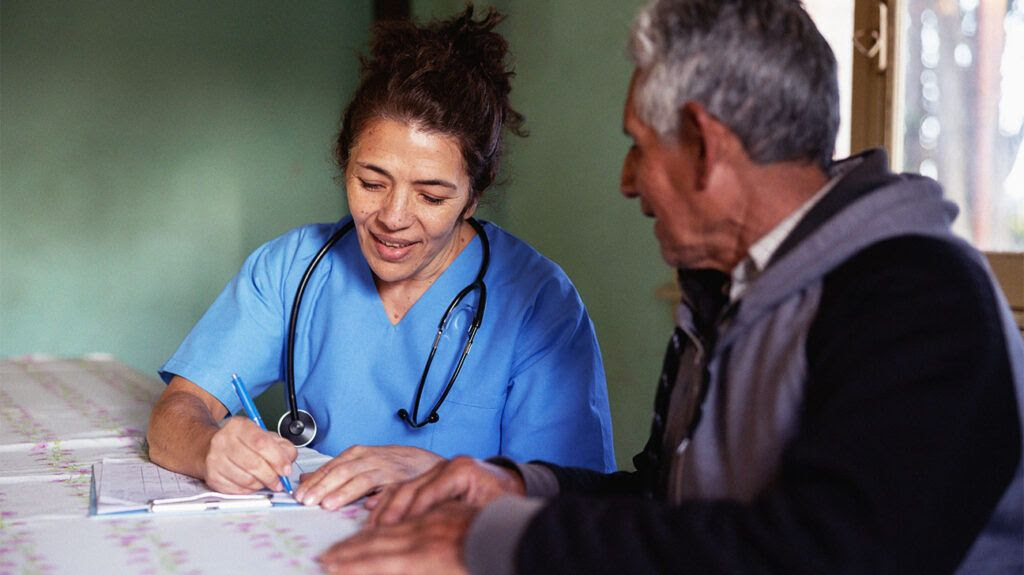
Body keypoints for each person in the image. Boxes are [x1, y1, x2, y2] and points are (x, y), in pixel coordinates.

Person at [316, 0, 1024, 573]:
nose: (627, 181)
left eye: (638, 145)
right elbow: (667, 501)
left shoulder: (922, 297)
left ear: (704, 144)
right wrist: (520, 486)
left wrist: (501, 543)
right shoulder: (724, 296)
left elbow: (831, 552)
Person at [146, 6, 616, 512]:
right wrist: (210, 447)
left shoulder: (539, 302)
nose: (392, 217)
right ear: (343, 162)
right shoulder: (292, 269)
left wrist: (439, 474)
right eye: (371, 183)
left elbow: (574, 503)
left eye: (431, 197)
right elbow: (174, 417)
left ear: (473, 196)